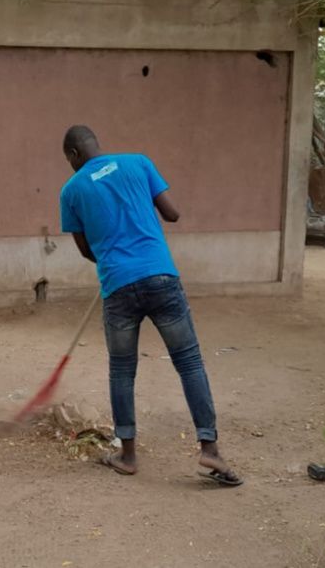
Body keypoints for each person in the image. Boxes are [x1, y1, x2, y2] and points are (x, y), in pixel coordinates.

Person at [60, 124, 241, 487]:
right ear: (97, 144)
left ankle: (127, 456)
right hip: (161, 276)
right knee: (189, 362)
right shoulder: (139, 163)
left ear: (73, 156)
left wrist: (115, 258)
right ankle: (210, 448)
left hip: (117, 285)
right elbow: (172, 214)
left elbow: (84, 250)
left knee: (122, 371)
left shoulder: (71, 189)